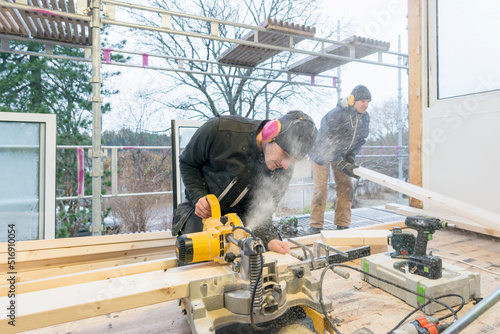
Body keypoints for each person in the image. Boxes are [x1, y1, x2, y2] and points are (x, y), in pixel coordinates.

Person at [172, 110, 318, 254]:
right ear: (270, 133)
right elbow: (187, 163)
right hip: (199, 212)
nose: (286, 165)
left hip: (237, 222)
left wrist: (270, 239)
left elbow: (262, 212)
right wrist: (198, 196)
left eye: (292, 160)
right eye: (285, 154)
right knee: (194, 257)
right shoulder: (220, 129)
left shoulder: (283, 167)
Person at [305, 85, 371, 234]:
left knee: (346, 186)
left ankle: (343, 223)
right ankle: (315, 225)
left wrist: (351, 155)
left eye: (368, 102)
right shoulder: (337, 114)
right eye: (363, 101)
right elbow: (328, 141)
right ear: (353, 100)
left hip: (342, 153)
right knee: (321, 188)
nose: (366, 105)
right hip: (321, 152)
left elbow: (362, 139)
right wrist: (340, 162)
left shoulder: (365, 118)